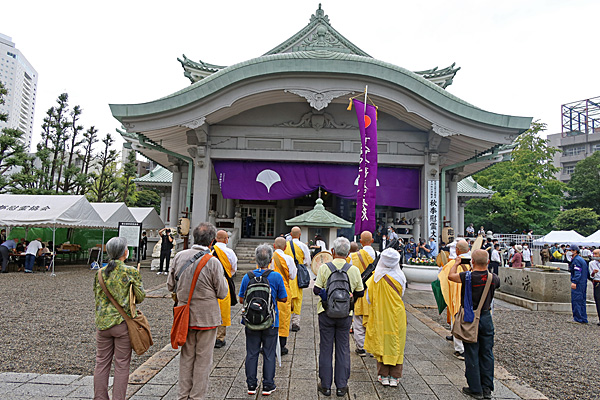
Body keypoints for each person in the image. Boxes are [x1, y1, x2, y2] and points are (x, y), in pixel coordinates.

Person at [167, 222, 228, 400]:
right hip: (207, 316)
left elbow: (170, 285)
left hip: (184, 314)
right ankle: (197, 396)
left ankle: (183, 395)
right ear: (212, 241)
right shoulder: (213, 262)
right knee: (203, 359)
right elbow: (222, 292)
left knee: (186, 357)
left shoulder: (179, 256)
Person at [93, 237, 146, 400]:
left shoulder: (100, 272)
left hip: (103, 323)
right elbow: (140, 297)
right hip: (123, 323)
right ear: (125, 252)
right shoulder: (131, 271)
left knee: (101, 362)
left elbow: (97, 295)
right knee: (122, 364)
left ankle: (100, 397)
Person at [313, 237, 364, 397]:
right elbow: (360, 292)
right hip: (345, 314)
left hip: (325, 312)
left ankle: (325, 386)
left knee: (326, 348)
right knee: (343, 348)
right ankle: (341, 386)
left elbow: (316, 290)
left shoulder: (324, 267)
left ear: (333, 251)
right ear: (348, 253)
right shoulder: (353, 270)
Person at [448, 249, 500, 400]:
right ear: (488, 262)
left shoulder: (467, 276)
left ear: (472, 262)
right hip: (486, 317)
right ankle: (487, 388)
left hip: (470, 318)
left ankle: (475, 388)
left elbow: (451, 276)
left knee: (471, 353)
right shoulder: (494, 278)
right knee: (487, 353)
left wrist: (456, 263)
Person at [239, 244, 287, 396]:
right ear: (271, 260)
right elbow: (284, 298)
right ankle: (268, 385)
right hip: (271, 321)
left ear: (256, 259)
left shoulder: (248, 277)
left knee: (251, 353)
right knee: (269, 353)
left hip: (251, 321)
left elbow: (241, 299)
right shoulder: (276, 276)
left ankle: (251, 385)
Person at [364, 248, 407, 388]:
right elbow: (401, 294)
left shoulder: (375, 278)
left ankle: (383, 375)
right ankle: (395, 376)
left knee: (382, 342)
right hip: (397, 314)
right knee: (397, 343)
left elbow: (368, 299)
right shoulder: (401, 276)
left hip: (380, 315)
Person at [439, 239, 471, 360]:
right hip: (471, 296)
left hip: (457, 296)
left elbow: (443, 277)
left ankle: (460, 350)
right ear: (468, 250)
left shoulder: (453, 264)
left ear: (457, 250)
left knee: (457, 320)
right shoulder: (474, 262)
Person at [347, 231, 376, 357]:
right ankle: (373, 348)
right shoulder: (379, 255)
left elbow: (348, 273)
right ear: (372, 241)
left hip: (360, 291)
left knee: (358, 322)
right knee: (373, 322)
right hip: (374, 293)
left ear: (360, 241)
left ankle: (361, 348)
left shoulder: (353, 257)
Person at [212, 230, 238, 349]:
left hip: (210, 283)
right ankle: (220, 337)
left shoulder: (210, 251)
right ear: (226, 239)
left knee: (210, 307)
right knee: (222, 309)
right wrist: (226, 275)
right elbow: (233, 268)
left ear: (215, 239)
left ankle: (209, 335)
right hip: (224, 281)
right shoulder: (229, 252)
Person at [270, 237, 297, 355]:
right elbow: (292, 276)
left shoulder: (269, 257)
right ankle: (281, 346)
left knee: (269, 314)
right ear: (285, 247)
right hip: (283, 290)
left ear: (274, 246)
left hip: (269, 289)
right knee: (284, 317)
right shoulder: (288, 259)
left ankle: (268, 344)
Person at [284, 226, 311, 332]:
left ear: (291, 234)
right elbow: (308, 262)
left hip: (286, 275)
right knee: (297, 299)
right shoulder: (303, 246)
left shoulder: (285, 245)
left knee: (286, 297)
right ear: (300, 235)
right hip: (298, 275)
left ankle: (285, 321)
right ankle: (295, 322)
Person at [569, 245, 588, 324]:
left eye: (570, 250)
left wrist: (574, 282)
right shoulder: (581, 259)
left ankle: (578, 318)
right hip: (583, 283)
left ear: (575, 251)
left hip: (579, 283)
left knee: (576, 300)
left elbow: (577, 272)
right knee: (582, 301)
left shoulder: (576, 260)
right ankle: (583, 318)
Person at [589, 249, 600, 326]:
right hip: (597, 282)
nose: (594, 256)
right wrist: (593, 272)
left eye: (596, 254)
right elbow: (591, 276)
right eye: (594, 254)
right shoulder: (591, 263)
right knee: (598, 301)